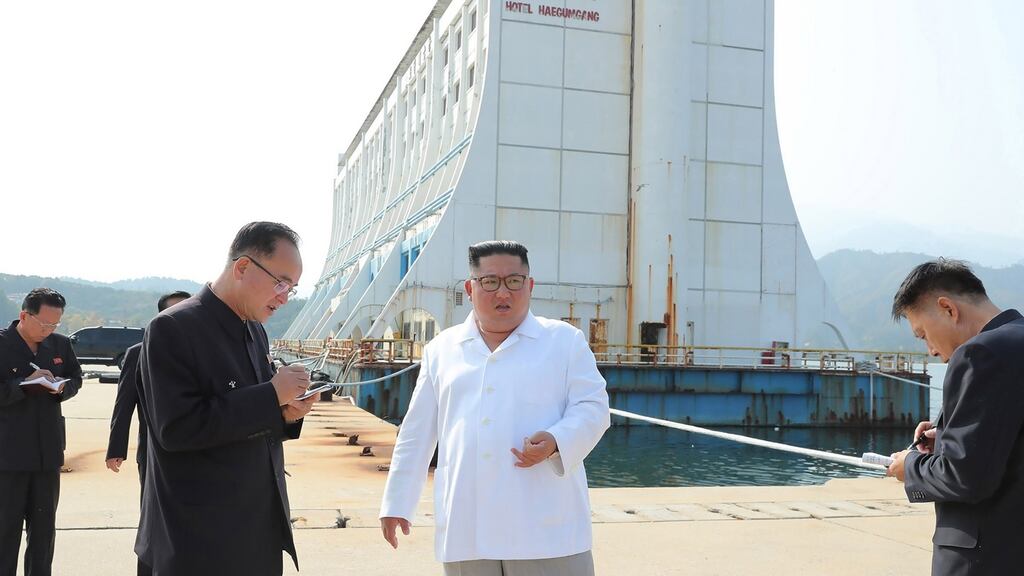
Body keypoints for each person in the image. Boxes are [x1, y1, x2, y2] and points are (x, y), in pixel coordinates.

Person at [380, 240, 610, 576]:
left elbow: (593, 407)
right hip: (468, 525)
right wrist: (397, 502)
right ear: (470, 289)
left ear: (529, 286)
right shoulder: (442, 349)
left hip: (545, 529)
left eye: (514, 281)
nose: (503, 292)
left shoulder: (564, 341)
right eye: (490, 282)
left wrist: (557, 441)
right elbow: (416, 433)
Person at [135, 222, 317, 575]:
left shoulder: (255, 331)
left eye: (292, 289)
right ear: (243, 267)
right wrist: (271, 394)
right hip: (197, 540)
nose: (284, 296)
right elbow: (177, 428)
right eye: (280, 282)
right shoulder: (173, 328)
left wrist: (287, 414)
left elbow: (253, 421)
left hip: (256, 532)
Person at [886, 258, 1024, 575]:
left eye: (922, 334)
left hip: (984, 558)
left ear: (948, 308)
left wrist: (910, 466)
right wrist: (947, 438)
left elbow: (967, 477)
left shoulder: (978, 353)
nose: (930, 350)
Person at [105, 290, 190, 576]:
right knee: (153, 523)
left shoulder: (202, 353)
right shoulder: (138, 353)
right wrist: (116, 448)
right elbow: (124, 405)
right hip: (154, 455)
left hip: (197, 453)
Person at [0, 288, 82, 576]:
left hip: (47, 453)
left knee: (44, 531)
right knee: (5, 531)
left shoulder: (59, 345)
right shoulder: (2, 344)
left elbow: (76, 377)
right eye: (44, 324)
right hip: (8, 456)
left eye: (55, 324)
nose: (49, 331)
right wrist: (24, 384)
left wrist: (62, 387)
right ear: (24, 315)